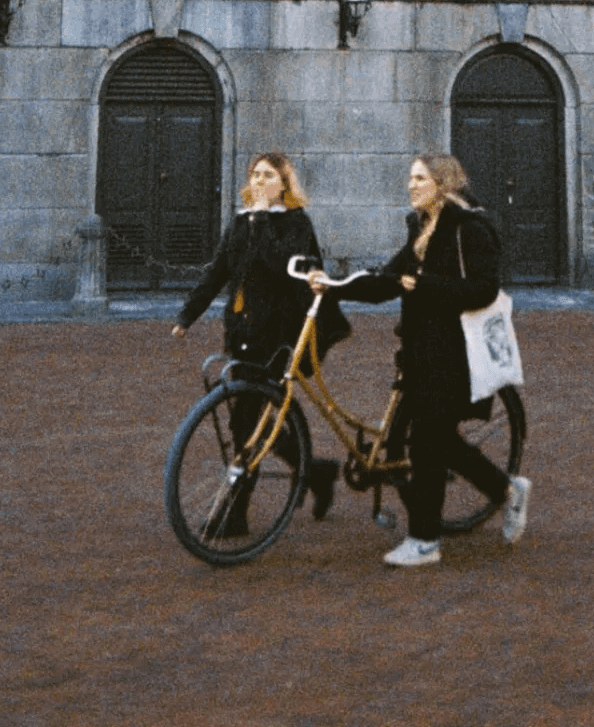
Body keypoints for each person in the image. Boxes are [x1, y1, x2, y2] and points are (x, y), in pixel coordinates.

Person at [345, 152, 530, 567]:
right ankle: (504, 490)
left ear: (442, 185)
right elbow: (389, 281)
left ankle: (425, 539)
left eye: (419, 179)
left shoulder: (470, 229)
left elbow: (483, 289)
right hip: (418, 352)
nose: (411, 185)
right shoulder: (419, 227)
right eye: (411, 178)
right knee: (434, 441)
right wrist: (334, 288)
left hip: (454, 356)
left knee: (428, 443)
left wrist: (427, 285)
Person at [172, 151, 346, 520]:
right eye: (255, 175)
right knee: (246, 420)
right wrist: (188, 314)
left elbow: (282, 265)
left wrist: (264, 217)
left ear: (284, 183)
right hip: (243, 332)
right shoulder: (241, 222)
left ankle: (235, 514)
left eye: (268, 175)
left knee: (252, 420)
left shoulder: (295, 223)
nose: (259, 181)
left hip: (280, 335)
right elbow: (218, 271)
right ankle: (316, 472)